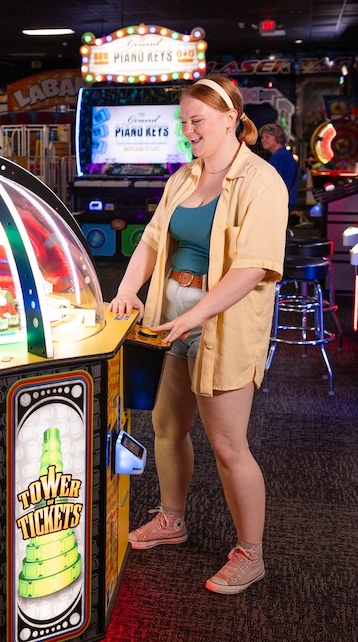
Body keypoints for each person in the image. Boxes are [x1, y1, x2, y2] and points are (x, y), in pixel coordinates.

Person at [109, 74, 287, 594]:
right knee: (166, 424)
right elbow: (151, 239)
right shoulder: (184, 177)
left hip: (224, 322)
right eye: (184, 122)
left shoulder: (261, 181)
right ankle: (172, 519)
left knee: (229, 445)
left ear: (232, 118)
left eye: (199, 121)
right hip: (172, 317)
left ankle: (250, 553)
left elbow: (252, 268)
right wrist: (127, 291)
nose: (190, 131)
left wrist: (195, 316)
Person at [258, 122, 298, 210]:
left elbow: (271, 182)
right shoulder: (282, 155)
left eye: (267, 137)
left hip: (280, 202)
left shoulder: (280, 156)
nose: (263, 140)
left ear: (278, 139)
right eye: (262, 137)